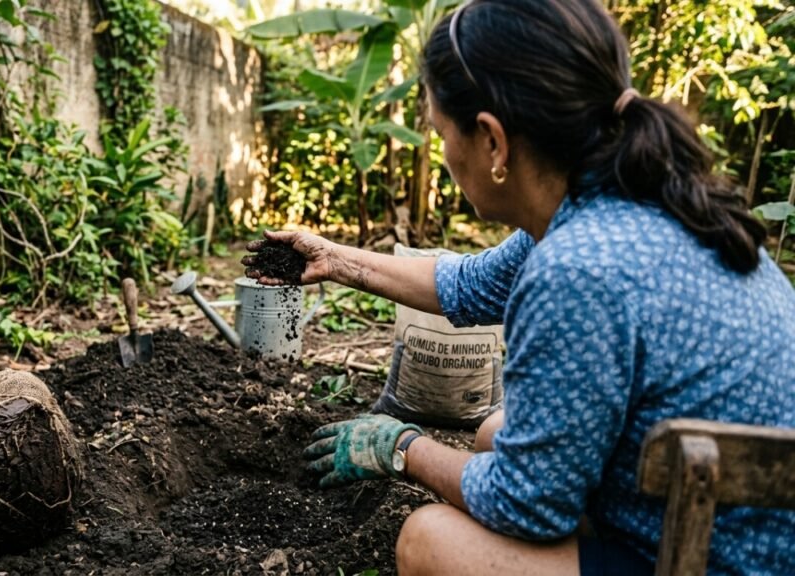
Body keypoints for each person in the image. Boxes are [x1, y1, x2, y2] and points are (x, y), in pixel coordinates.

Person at [243, 0, 795, 574]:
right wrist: (334, 259)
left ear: (492, 141)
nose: (443, 152)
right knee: (493, 433)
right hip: (744, 522)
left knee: (428, 542)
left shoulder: (575, 271)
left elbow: (524, 505)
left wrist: (402, 448)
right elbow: (468, 285)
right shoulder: (621, 199)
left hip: (723, 556)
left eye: (440, 132)